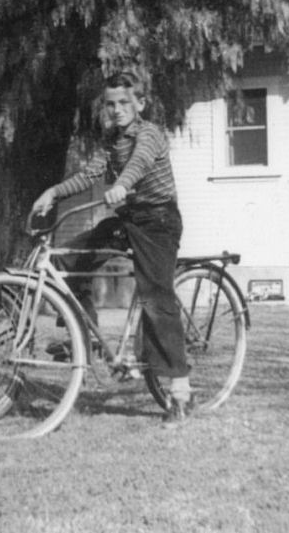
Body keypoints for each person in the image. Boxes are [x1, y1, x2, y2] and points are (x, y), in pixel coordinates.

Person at [31, 73, 191, 425]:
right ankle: (86, 347)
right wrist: (54, 192)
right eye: (110, 104)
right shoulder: (110, 139)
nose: (116, 110)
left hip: (158, 221)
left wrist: (120, 185)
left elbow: (138, 164)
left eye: (123, 103)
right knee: (70, 261)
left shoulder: (149, 134)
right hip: (127, 219)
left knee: (155, 296)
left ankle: (179, 385)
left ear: (140, 104)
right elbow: (89, 174)